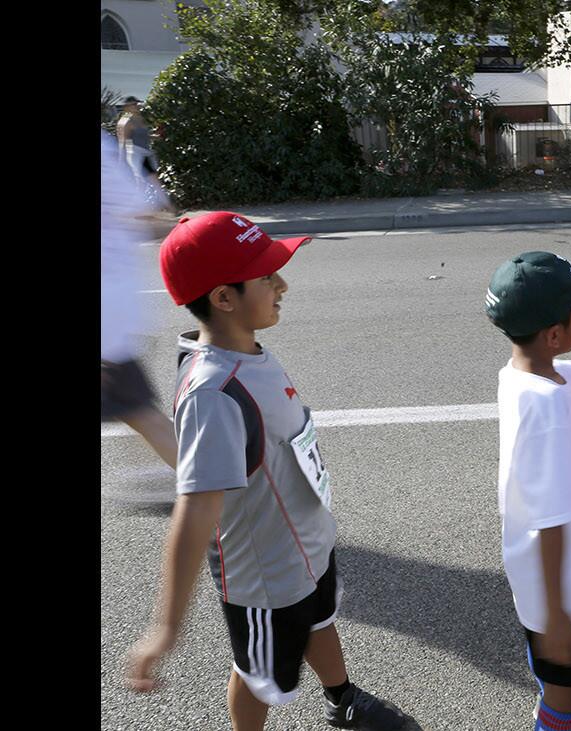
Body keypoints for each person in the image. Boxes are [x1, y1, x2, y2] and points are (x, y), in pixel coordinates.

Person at [125, 212, 414, 731]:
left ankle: (342, 698)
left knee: (321, 618)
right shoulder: (214, 393)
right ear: (224, 297)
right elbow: (194, 513)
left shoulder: (246, 351)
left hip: (307, 547)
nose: (283, 283)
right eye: (266, 276)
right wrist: (165, 629)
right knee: (258, 677)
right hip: (267, 580)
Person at [485, 251, 571, 731]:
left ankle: (566, 676)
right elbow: (549, 520)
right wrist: (559, 613)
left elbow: (566, 374)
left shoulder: (524, 373)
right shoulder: (547, 411)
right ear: (554, 334)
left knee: (556, 650)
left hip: (550, 572)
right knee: (562, 671)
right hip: (563, 580)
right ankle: (556, 707)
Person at [101, 129, 176, 473]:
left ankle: (230, 503)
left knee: (142, 413)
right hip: (113, 316)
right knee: (141, 413)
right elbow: (142, 217)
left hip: (108, 323)